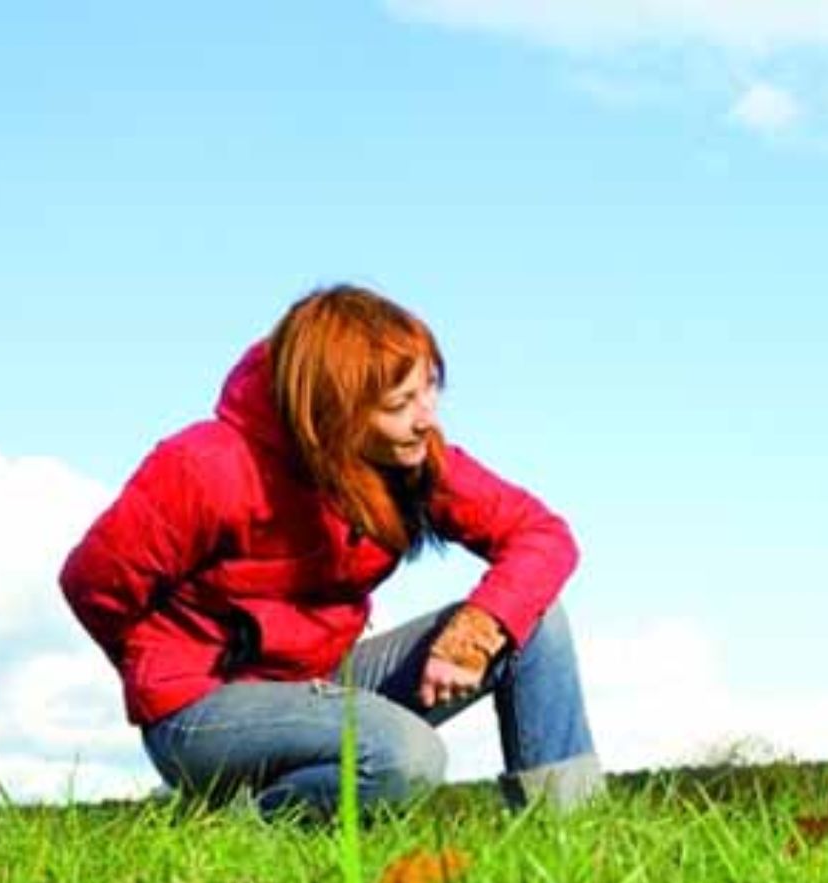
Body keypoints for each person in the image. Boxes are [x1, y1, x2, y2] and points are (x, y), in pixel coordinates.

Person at [59, 284, 602, 819]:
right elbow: (90, 584)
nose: (426, 417)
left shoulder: (408, 458)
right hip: (202, 708)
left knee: (532, 619)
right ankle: (239, 823)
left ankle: (567, 830)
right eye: (399, 403)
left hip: (321, 683)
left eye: (429, 389)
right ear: (333, 410)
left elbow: (541, 534)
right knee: (406, 757)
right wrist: (167, 669)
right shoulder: (204, 466)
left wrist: (476, 632)